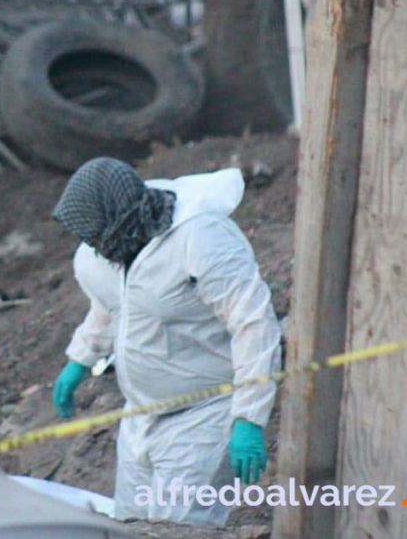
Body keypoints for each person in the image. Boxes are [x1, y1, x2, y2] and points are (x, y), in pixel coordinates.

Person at [50, 158, 281, 526]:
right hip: (139, 417)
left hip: (204, 414)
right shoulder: (106, 253)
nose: (92, 246)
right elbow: (112, 304)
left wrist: (249, 416)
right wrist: (81, 357)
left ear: (120, 220)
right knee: (131, 526)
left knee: (180, 527)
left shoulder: (200, 239)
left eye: (96, 236)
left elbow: (252, 322)